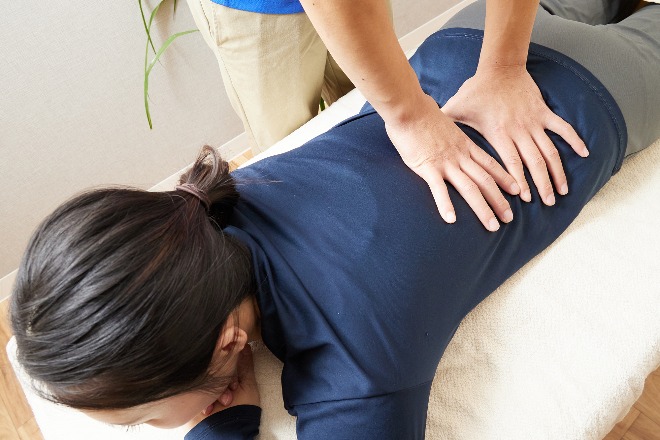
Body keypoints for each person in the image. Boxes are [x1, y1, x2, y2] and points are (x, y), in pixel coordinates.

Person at [10, 0, 659, 439]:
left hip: (580, 104)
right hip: (465, 49)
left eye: (144, 420)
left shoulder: (355, 375)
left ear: (228, 343)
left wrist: (222, 425)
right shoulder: (221, 198)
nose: (155, 429)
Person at [185, 0, 590, 232]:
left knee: (368, 113)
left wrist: (504, 66)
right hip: (254, 10)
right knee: (289, 146)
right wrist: (412, 118)